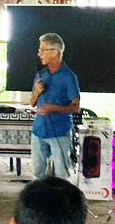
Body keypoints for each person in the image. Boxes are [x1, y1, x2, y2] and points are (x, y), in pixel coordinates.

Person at [28, 33, 81, 179]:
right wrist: (36, 92)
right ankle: (41, 194)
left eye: (42, 50)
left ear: (54, 52)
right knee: (37, 172)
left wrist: (53, 108)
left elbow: (76, 107)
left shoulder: (69, 77)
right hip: (39, 130)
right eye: (39, 50)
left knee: (61, 175)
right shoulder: (41, 74)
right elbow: (32, 102)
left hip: (59, 131)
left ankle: (60, 194)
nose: (39, 54)